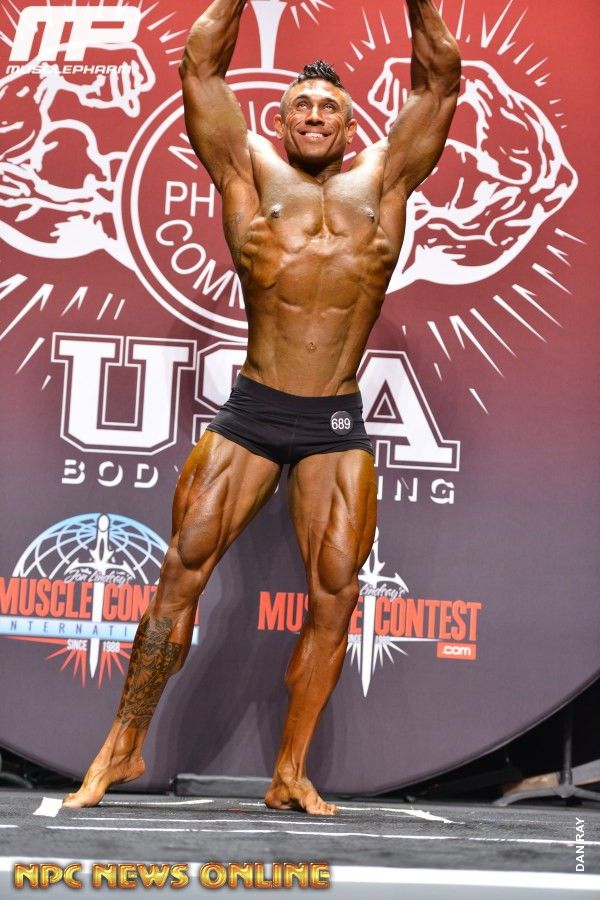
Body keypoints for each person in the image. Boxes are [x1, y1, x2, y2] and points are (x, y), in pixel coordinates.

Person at [64, 0, 460, 816]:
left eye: (328, 107)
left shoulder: (386, 177)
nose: (313, 115)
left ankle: (290, 770)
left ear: (351, 124)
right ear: (278, 121)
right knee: (181, 571)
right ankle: (122, 746)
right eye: (300, 105)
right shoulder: (245, 172)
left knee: (335, 592)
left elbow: (441, 80)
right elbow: (199, 66)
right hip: (253, 410)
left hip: (334, 423)